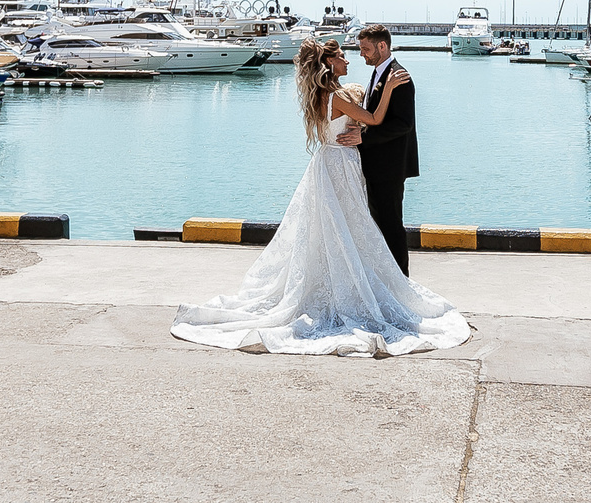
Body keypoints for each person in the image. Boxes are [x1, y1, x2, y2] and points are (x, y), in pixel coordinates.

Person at [170, 37, 470, 356]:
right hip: (341, 165)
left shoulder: (322, 95)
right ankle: (354, 287)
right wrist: (390, 90)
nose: (347, 60)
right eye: (341, 56)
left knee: (330, 227)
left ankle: (334, 281)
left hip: (326, 162)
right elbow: (373, 119)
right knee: (348, 226)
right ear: (329, 63)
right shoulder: (337, 96)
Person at [349, 23, 419, 274]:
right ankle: (388, 279)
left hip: (389, 165)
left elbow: (403, 124)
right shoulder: (380, 73)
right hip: (377, 164)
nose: (361, 54)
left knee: (391, 225)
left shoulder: (399, 77)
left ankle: (401, 279)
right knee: (379, 223)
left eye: (366, 49)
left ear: (382, 46)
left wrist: (363, 138)